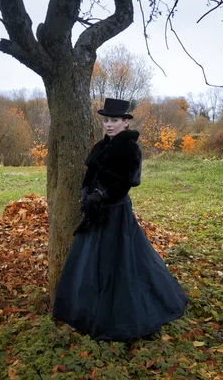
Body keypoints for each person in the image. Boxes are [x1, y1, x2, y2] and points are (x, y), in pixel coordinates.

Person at [52, 98, 188, 341]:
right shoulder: (99, 147)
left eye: (114, 120)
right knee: (88, 263)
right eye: (106, 120)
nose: (109, 124)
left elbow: (127, 183)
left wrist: (102, 194)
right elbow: (88, 176)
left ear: (125, 122)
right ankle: (83, 313)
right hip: (94, 215)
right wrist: (86, 194)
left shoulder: (130, 149)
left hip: (116, 214)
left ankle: (119, 318)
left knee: (119, 265)